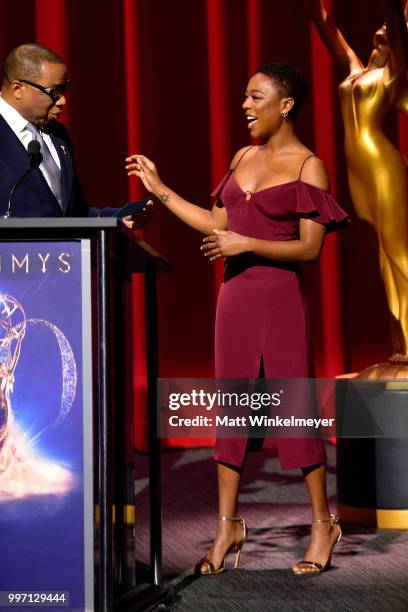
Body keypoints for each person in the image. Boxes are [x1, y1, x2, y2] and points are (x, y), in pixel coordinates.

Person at [126, 62, 348, 575]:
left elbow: (310, 250)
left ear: (285, 104)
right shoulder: (242, 156)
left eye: (255, 97)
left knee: (293, 409)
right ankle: (228, 525)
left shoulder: (308, 167)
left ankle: (322, 524)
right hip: (235, 299)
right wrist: (160, 188)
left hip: (280, 300)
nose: (245, 106)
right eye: (245, 97)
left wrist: (246, 243)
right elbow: (215, 223)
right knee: (233, 410)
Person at [306, 0, 408, 365]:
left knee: (399, 255)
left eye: (389, 28)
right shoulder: (357, 71)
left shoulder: (393, 75)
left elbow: (397, 28)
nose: (380, 30)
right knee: (381, 258)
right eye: (378, 26)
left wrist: (395, 7)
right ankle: (401, 346)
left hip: (383, 166)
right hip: (358, 170)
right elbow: (326, 27)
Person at [0, 43, 151, 225]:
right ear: (18, 88)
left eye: (63, 90)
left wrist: (117, 218)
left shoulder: (58, 133)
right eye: (53, 92)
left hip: (66, 253)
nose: (62, 101)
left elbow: (72, 213)